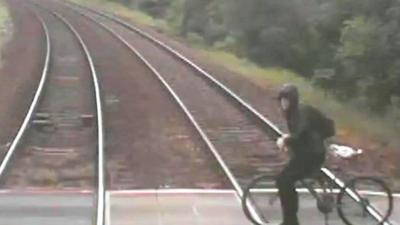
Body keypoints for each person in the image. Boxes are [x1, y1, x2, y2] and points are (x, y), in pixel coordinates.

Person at [275, 84, 333, 225]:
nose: (283, 103)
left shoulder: (301, 112)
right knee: (284, 179)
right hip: (307, 153)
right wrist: (289, 144)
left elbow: (301, 132)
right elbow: (301, 137)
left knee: (284, 180)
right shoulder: (293, 113)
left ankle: (291, 221)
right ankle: (290, 220)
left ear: (293, 100)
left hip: (312, 154)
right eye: (282, 100)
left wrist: (286, 139)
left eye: (286, 100)